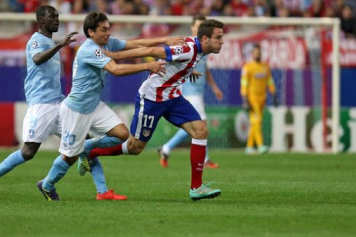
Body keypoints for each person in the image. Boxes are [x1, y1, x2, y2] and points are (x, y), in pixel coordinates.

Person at [36, 11, 180, 201]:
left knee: (121, 135)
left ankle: (86, 152)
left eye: (108, 29)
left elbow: (136, 43)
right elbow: (116, 69)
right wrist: (147, 66)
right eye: (103, 30)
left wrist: (166, 40)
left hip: (94, 106)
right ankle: (47, 185)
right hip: (76, 110)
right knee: (69, 157)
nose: (108, 33)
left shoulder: (106, 43)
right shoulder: (89, 49)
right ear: (91, 32)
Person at [81, 19, 225, 201]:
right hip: (152, 98)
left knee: (201, 131)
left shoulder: (196, 49)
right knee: (135, 148)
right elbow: (151, 51)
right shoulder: (188, 49)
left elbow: (177, 62)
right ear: (205, 39)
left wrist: (187, 71)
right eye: (218, 38)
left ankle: (196, 188)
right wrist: (114, 56)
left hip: (172, 97)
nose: (222, 41)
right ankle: (91, 152)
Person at [0, 5, 77, 177]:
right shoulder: (37, 40)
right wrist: (60, 46)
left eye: (57, 16)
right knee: (28, 152)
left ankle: (101, 190)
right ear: (41, 19)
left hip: (58, 102)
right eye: (52, 16)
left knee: (81, 138)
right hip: (41, 103)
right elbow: (37, 59)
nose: (57, 20)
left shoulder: (50, 42)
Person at [157, 15, 223, 169]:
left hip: (199, 91)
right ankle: (204, 159)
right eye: (198, 26)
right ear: (192, 27)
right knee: (201, 126)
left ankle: (166, 149)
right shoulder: (188, 45)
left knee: (195, 127)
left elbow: (205, 69)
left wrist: (214, 87)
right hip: (189, 90)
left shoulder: (204, 47)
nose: (199, 29)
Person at [240, 44, 277, 155]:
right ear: (252, 54)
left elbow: (269, 81)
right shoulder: (247, 67)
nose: (257, 54)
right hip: (252, 98)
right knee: (257, 121)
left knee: (254, 122)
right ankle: (260, 145)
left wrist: (273, 93)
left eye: (258, 52)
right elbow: (244, 83)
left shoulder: (265, 67)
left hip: (263, 98)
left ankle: (249, 147)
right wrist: (245, 98)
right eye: (255, 52)